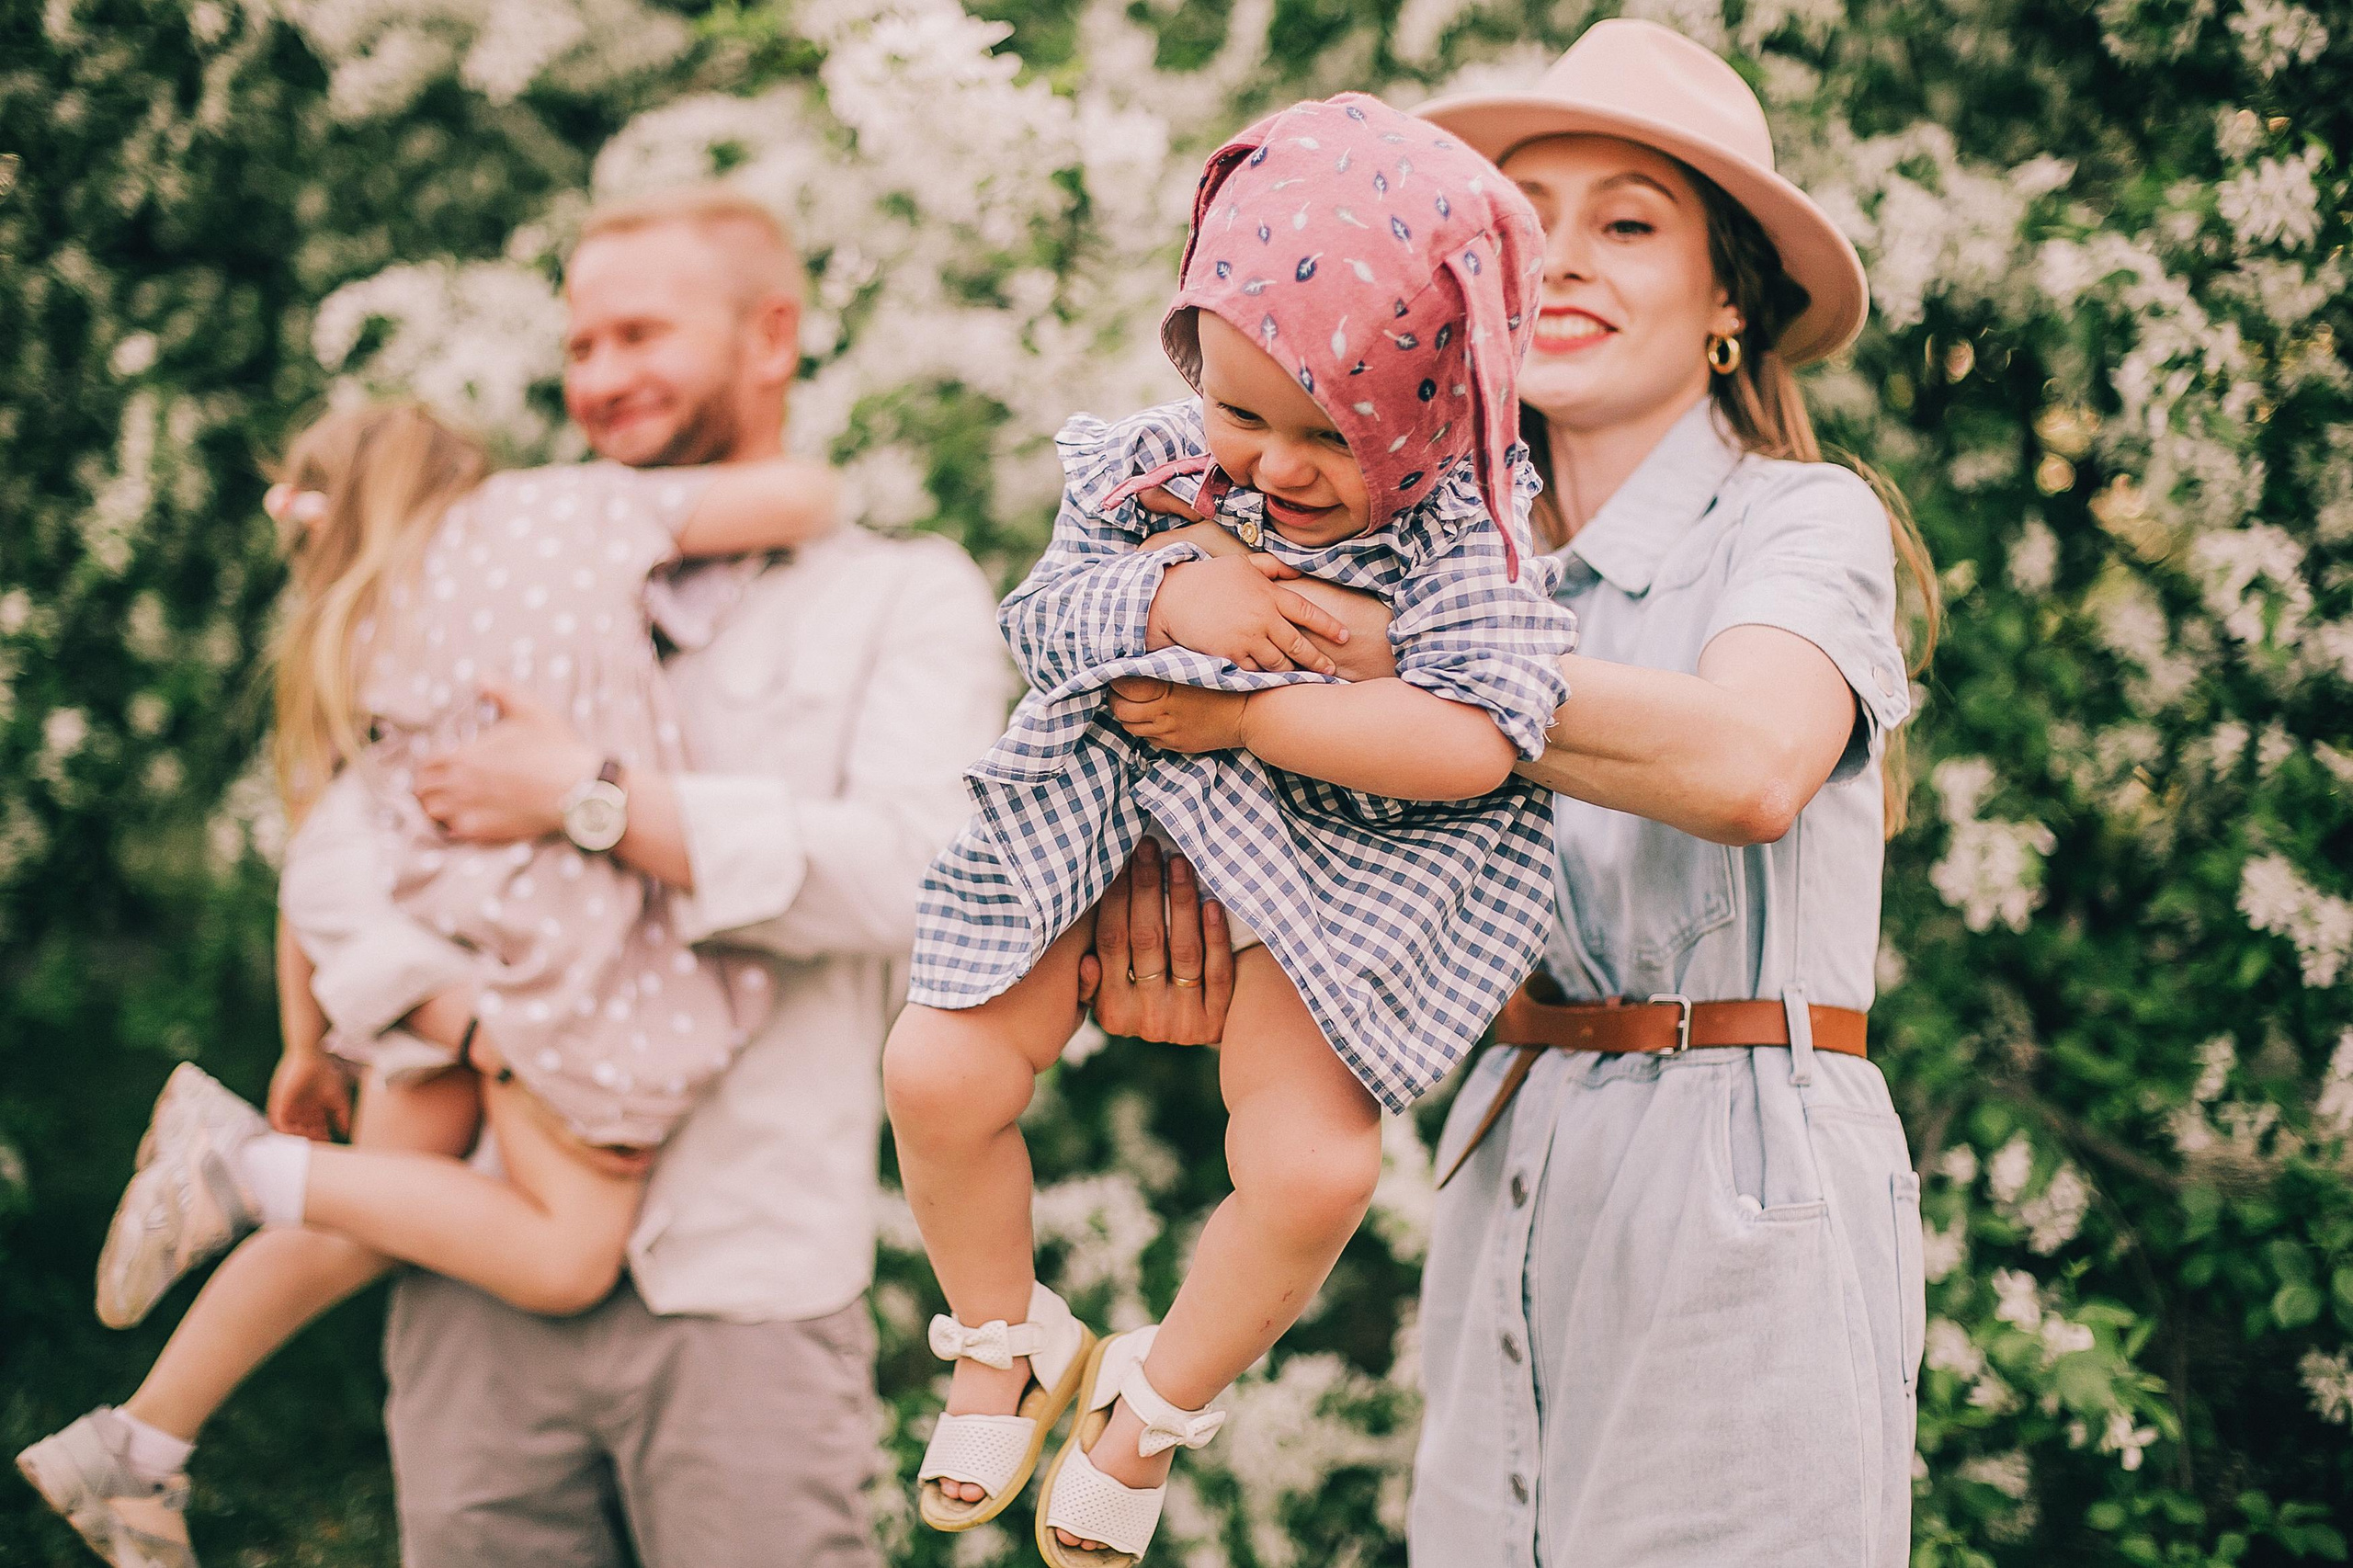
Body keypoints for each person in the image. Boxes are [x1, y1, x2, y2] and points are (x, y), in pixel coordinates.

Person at [20, 187, 1009, 1568]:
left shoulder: (900, 599)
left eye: (641, 334)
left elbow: (920, 879)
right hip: (471, 1282)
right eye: (582, 344)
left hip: (748, 1293)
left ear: (770, 333)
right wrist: (457, 1023)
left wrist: (600, 803)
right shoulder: (498, 563)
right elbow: (346, 851)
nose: (600, 378)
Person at [1092, 20, 1938, 1565]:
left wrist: (1369, 654)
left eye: (1627, 223)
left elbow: (1750, 766)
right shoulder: (1412, 543)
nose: (1561, 261)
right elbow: (1311, 849)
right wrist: (1169, 924)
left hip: (1738, 1166)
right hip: (1508, 1147)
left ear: (1730, 296)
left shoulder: (1804, 523)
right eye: (1522, 222)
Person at [883, 93, 1579, 1568]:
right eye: (1237, 411)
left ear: (1434, 412)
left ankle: (1157, 1396)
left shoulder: (1470, 532)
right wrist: (1165, 597)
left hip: (1331, 870)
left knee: (1317, 1170)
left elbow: (1476, 739)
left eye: (1324, 436)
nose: (1267, 467)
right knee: (935, 1068)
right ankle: (1002, 1332)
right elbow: (1042, 617)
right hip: (1102, 812)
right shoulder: (1151, 470)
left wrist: (1250, 717)